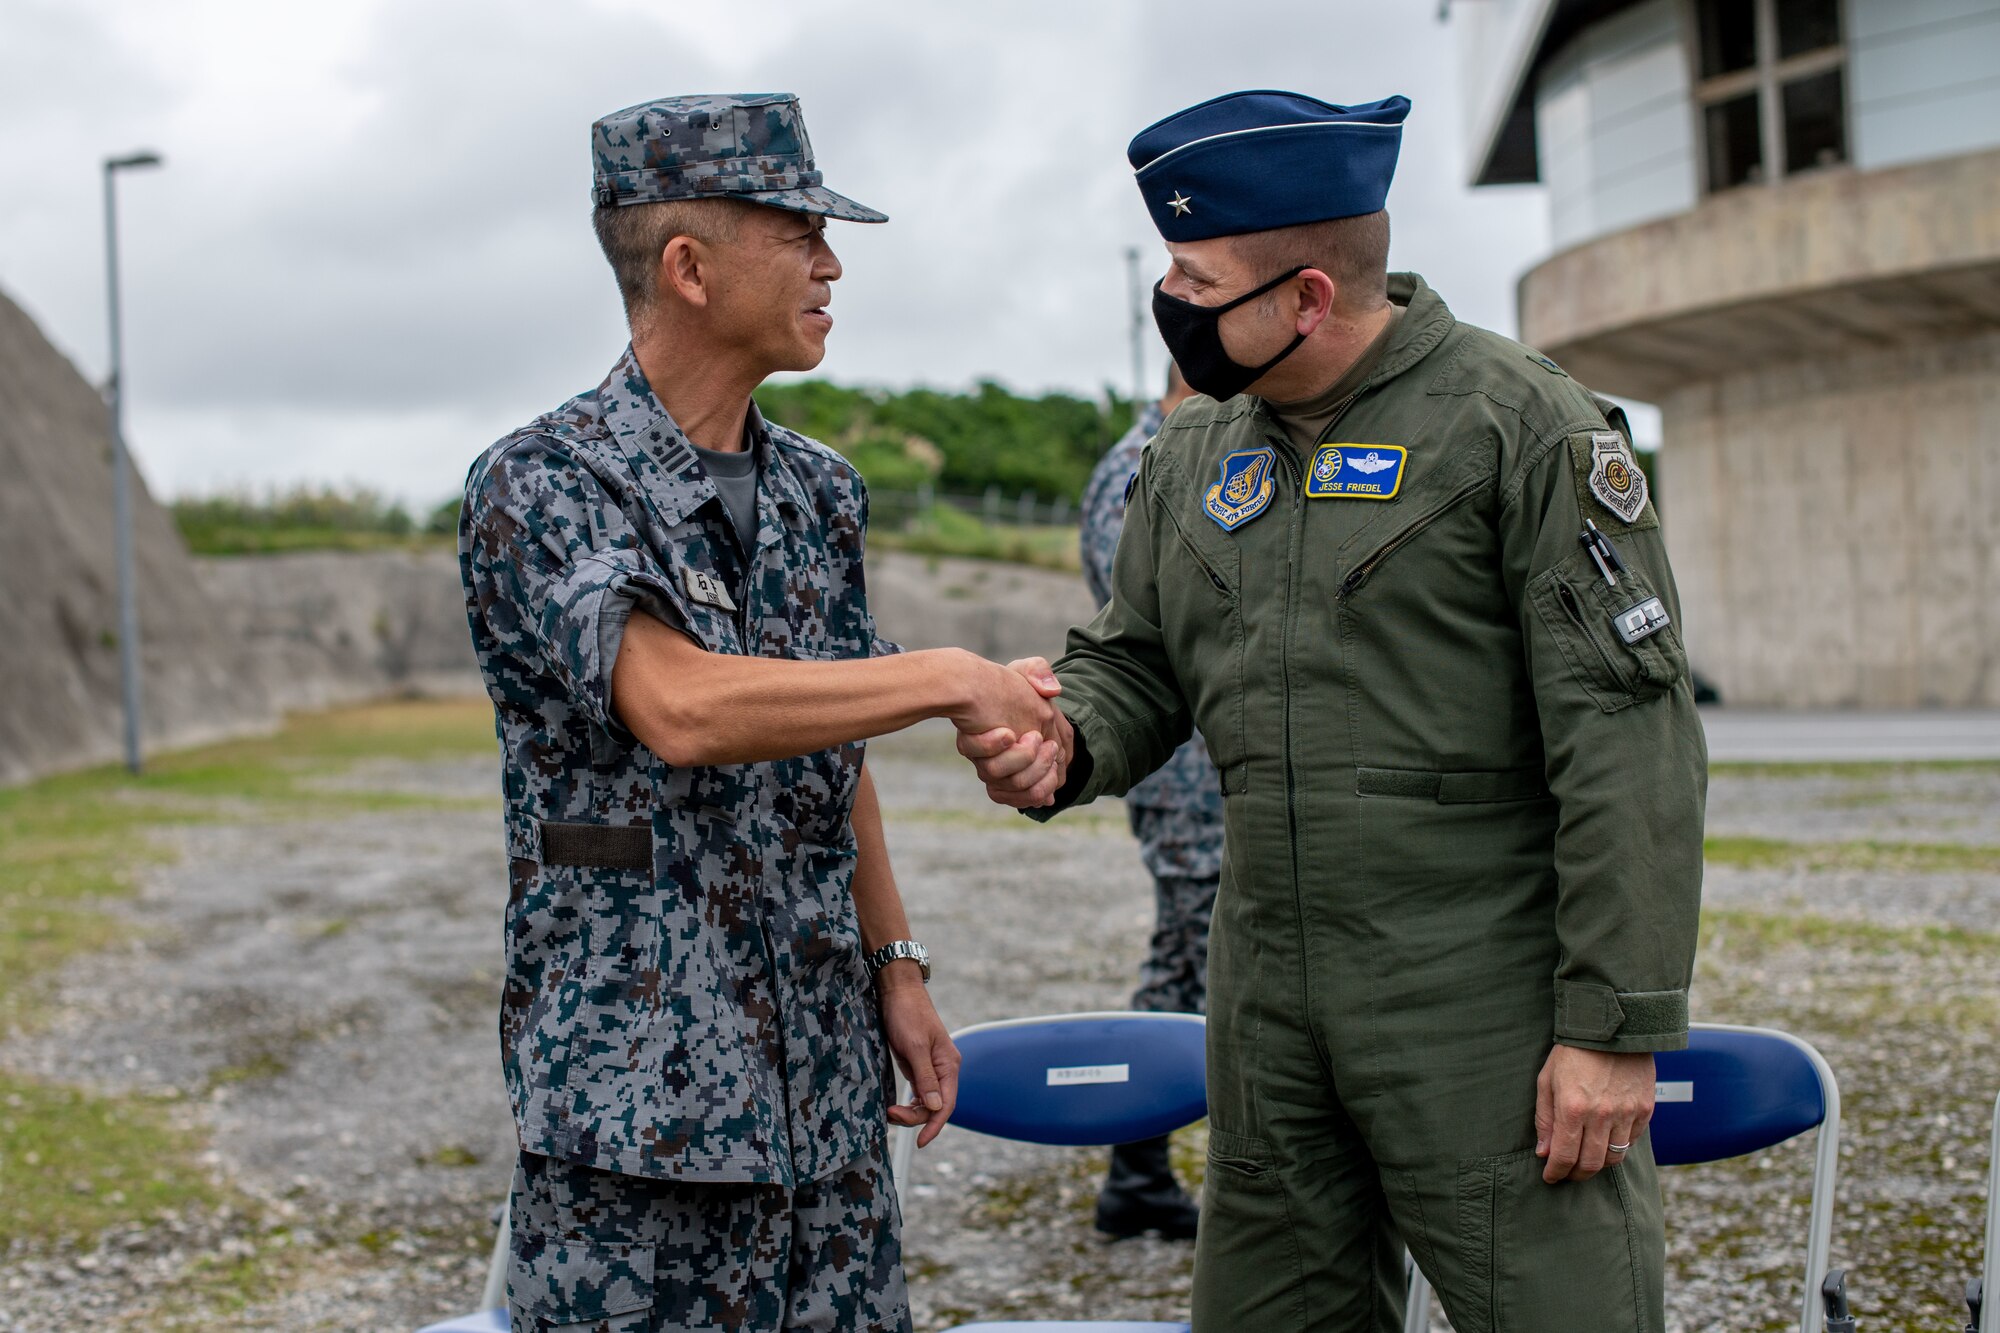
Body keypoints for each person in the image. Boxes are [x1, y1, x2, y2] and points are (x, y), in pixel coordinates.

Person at [962, 90, 1705, 1332]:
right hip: (1266, 1014)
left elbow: (1626, 740)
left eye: (1198, 281)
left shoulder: (1518, 427)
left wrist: (1613, 1028)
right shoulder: (1196, 455)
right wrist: (1063, 740)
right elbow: (1137, 657)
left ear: (1305, 296)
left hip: (1479, 1010)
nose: (1173, 306)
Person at [458, 93, 1072, 1333]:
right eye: (796, 232)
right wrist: (953, 674)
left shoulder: (816, 492)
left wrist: (895, 966)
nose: (831, 261)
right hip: (641, 1116)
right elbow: (681, 705)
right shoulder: (542, 482)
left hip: (823, 1098)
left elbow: (830, 753)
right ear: (687, 266)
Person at [1078, 362, 1216, 1241]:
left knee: (1213, 963)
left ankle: (1142, 1169)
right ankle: (1137, 1166)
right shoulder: (1141, 467)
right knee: (1190, 960)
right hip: (1185, 775)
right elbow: (1150, 622)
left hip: (1219, 769)